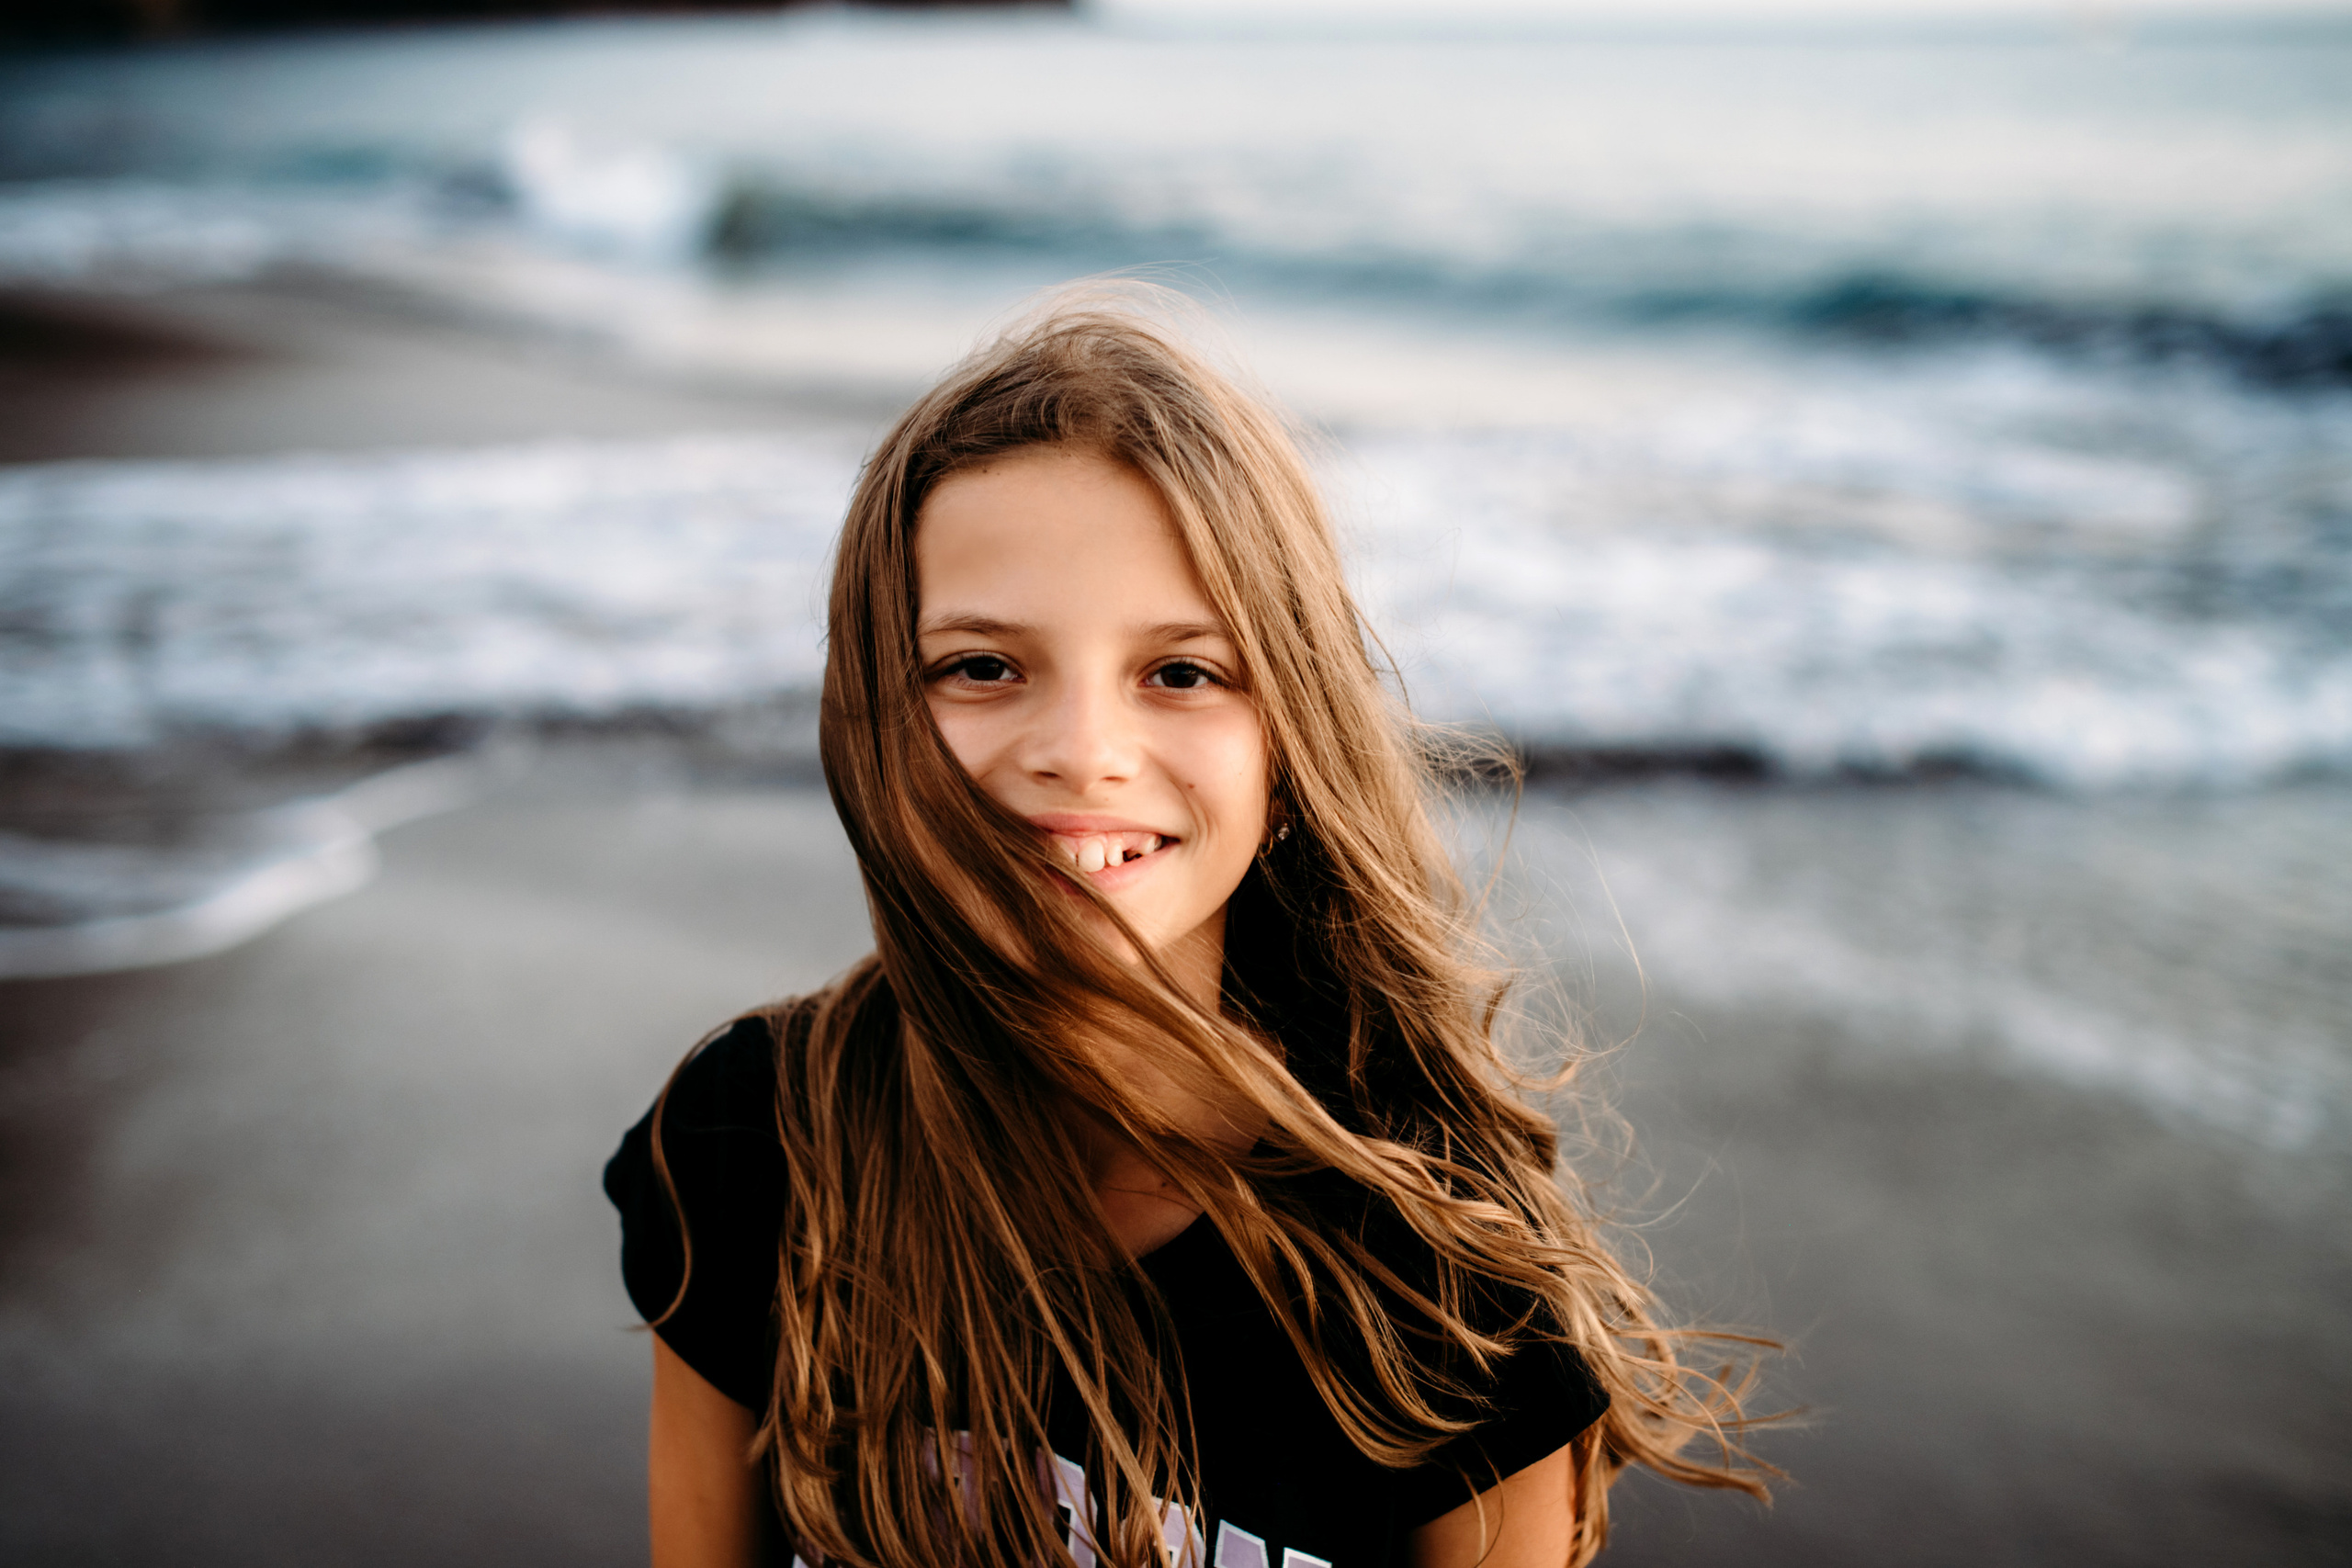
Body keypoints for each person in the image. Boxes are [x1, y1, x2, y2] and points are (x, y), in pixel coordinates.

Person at [604, 291, 1770, 1568]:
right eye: (982, 666)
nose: (1083, 755)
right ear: (875, 718)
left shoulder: (1445, 1280)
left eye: (1183, 672)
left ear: (1291, 734)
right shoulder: (757, 1138)